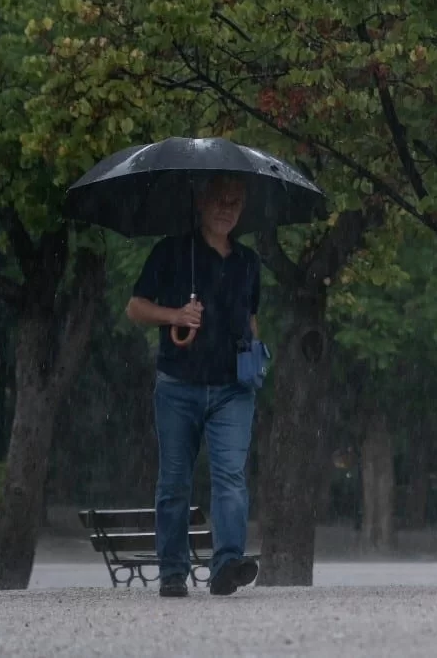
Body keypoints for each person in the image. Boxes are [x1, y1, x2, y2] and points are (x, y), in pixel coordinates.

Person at [126, 175, 262, 597]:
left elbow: (251, 316)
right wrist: (175, 316)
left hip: (233, 389)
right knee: (174, 482)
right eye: (220, 200)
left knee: (230, 477)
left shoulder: (248, 261)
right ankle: (172, 571)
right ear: (201, 203)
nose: (227, 208)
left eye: (236, 202)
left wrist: (256, 353)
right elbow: (134, 307)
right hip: (178, 386)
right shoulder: (171, 252)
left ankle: (227, 565)